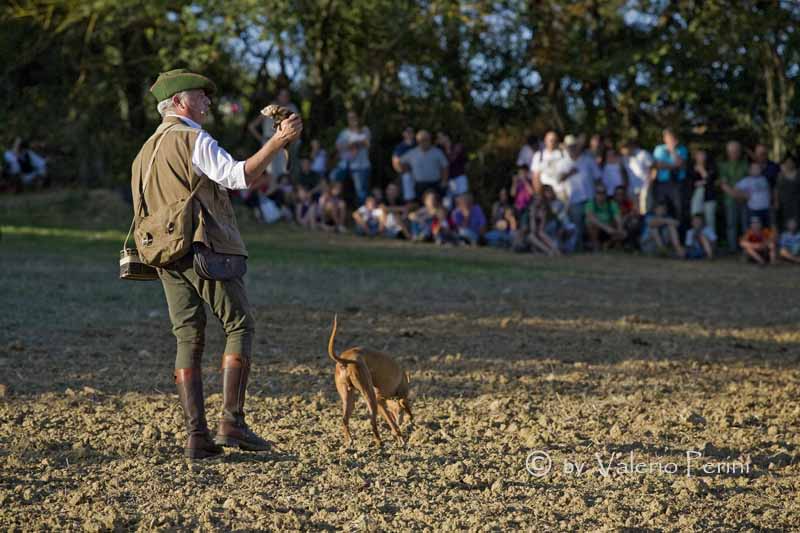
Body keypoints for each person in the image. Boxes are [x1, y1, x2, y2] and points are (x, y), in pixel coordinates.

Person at [132, 69, 302, 459]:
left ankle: (197, 437)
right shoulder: (193, 138)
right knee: (240, 324)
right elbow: (237, 176)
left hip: (161, 254)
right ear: (178, 103)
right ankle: (232, 422)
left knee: (187, 336)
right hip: (202, 248)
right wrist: (279, 141)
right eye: (200, 95)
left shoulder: (143, 152)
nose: (209, 101)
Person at [557, 134, 600, 251]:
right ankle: (578, 247)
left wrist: (598, 195)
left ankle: (594, 246)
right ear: (566, 148)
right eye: (570, 147)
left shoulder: (588, 160)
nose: (572, 149)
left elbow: (597, 179)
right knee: (577, 225)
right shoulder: (562, 163)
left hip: (589, 197)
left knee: (591, 223)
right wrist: (569, 173)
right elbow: (559, 180)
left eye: (574, 146)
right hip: (573, 199)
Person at [247, 87, 300, 180]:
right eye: (282, 95)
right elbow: (252, 126)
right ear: (278, 96)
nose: (285, 97)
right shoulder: (271, 108)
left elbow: (297, 125)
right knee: (271, 173)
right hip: (269, 142)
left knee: (284, 173)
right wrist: (262, 139)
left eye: (287, 95)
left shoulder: (292, 107)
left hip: (284, 143)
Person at [332, 110, 371, 204]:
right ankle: (336, 202)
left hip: (361, 166)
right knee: (333, 176)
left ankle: (363, 214)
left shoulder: (365, 130)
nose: (352, 119)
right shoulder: (344, 133)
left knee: (361, 192)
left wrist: (353, 144)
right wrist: (351, 145)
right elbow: (338, 146)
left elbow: (367, 144)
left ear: (358, 118)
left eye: (354, 117)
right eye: (350, 118)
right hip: (346, 165)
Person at [652, 129, 689, 227]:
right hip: (662, 183)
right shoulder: (659, 149)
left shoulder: (681, 149)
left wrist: (673, 150)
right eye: (667, 138)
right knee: (663, 209)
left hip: (677, 184)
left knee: (678, 209)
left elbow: (680, 163)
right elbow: (658, 165)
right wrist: (674, 166)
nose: (669, 140)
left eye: (671, 138)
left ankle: (679, 235)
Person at [400, 130, 449, 202]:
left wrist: (444, 181)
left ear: (430, 140)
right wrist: (407, 171)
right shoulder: (412, 153)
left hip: (435, 184)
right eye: (421, 140)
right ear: (417, 141)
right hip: (419, 185)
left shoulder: (437, 152)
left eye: (426, 139)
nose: (424, 142)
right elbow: (400, 162)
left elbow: (445, 167)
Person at [718, 141, 749, 252]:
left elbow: (749, 182)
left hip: (744, 200)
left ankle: (747, 248)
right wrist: (735, 195)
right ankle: (732, 248)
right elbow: (723, 184)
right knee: (731, 225)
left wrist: (742, 196)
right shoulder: (723, 166)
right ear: (728, 152)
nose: (734, 153)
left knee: (745, 225)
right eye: (732, 151)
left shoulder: (745, 165)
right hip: (730, 200)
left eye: (736, 151)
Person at [721, 162, 771, 227]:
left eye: (758, 168)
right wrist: (725, 187)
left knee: (766, 230)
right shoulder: (746, 180)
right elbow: (734, 192)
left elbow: (769, 191)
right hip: (754, 210)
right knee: (755, 230)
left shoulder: (764, 179)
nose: (756, 170)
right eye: (754, 168)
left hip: (766, 209)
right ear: (750, 170)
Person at [584, 185, 626, 252]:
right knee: (590, 223)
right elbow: (590, 217)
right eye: (599, 192)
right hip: (599, 230)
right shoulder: (590, 204)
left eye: (603, 192)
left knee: (623, 232)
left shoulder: (612, 203)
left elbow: (618, 218)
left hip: (610, 229)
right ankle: (596, 245)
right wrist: (606, 228)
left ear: (606, 194)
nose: (601, 195)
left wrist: (620, 229)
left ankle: (610, 245)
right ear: (595, 194)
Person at [687, 148, 717, 236]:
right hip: (696, 195)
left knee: (710, 220)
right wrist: (702, 182)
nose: (701, 157)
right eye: (699, 155)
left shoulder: (711, 166)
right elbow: (690, 182)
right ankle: (696, 243)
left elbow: (711, 180)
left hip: (709, 196)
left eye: (703, 155)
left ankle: (711, 242)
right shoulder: (690, 167)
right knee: (695, 218)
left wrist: (701, 169)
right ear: (695, 156)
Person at [621, 138, 654, 214]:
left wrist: (650, 183)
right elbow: (624, 173)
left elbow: (653, 168)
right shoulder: (624, 158)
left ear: (630, 147)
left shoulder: (643, 154)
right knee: (635, 211)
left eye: (625, 149)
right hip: (632, 189)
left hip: (645, 187)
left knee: (645, 210)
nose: (623, 152)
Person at [436, 131, 468, 209]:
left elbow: (463, 160)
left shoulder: (458, 147)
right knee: (447, 204)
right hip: (449, 181)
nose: (439, 139)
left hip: (460, 178)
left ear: (446, 137)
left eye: (440, 137)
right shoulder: (440, 151)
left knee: (462, 201)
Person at [541, 184, 577, 253]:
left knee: (573, 228)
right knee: (555, 226)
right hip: (549, 227)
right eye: (547, 191)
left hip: (561, 224)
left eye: (551, 191)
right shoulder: (542, 204)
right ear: (543, 193)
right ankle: (557, 248)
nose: (550, 193)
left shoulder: (558, 202)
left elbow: (563, 215)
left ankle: (568, 249)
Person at [530, 130, 567, 197]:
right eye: (550, 140)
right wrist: (539, 194)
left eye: (555, 140)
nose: (553, 142)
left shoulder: (563, 153)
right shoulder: (538, 156)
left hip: (562, 191)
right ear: (545, 141)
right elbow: (535, 177)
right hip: (547, 194)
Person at [391, 127, 417, 203]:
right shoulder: (400, 147)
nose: (409, 134)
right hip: (405, 174)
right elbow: (395, 162)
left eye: (411, 132)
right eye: (407, 132)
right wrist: (403, 171)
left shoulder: (418, 145)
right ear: (403, 134)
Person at [775, 156, 800, 230]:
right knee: (784, 221)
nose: (789, 164)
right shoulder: (780, 175)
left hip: (796, 202)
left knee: (797, 220)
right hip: (784, 203)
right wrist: (776, 201)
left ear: (794, 163)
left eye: (791, 162)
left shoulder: (798, 173)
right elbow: (776, 189)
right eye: (787, 162)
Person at [613, 185, 641, 250]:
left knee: (635, 221)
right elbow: (617, 220)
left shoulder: (627, 203)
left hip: (624, 226)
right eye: (618, 194)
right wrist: (628, 216)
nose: (620, 196)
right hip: (614, 226)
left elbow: (634, 212)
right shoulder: (612, 204)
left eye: (622, 194)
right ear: (615, 195)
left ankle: (630, 245)